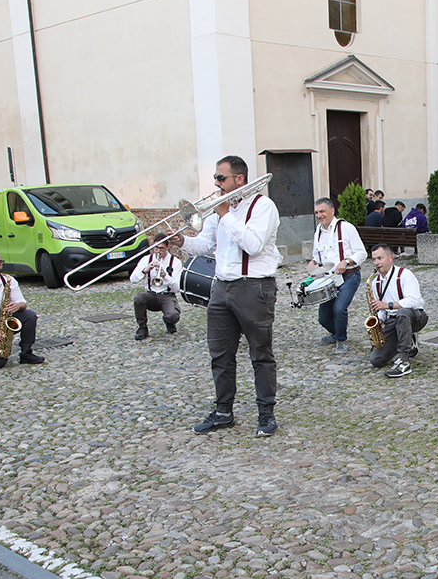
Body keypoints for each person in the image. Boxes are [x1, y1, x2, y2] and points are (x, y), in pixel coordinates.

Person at [172, 155, 281, 436]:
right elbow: (207, 245)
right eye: (215, 179)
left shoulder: (263, 207)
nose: (216, 184)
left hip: (254, 288)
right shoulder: (220, 210)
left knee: (261, 353)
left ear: (239, 179)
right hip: (221, 287)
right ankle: (223, 412)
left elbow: (253, 245)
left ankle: (266, 414)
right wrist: (181, 241)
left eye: (221, 178)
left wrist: (224, 214)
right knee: (220, 354)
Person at [307, 197, 367, 354]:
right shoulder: (318, 231)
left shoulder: (346, 228)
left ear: (332, 211)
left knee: (339, 308)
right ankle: (336, 333)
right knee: (323, 317)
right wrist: (312, 263)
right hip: (329, 279)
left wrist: (346, 261)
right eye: (316, 212)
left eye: (322, 211)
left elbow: (362, 253)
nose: (319, 215)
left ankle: (341, 339)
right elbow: (317, 256)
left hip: (349, 275)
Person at [367, 244, 428, 378]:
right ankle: (406, 340)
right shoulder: (375, 282)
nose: (376, 263)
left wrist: (388, 305)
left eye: (380, 258)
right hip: (393, 321)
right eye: (374, 259)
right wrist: (379, 321)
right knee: (376, 360)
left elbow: (415, 301)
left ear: (390, 258)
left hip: (415, 317)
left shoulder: (404, 275)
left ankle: (404, 360)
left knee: (402, 313)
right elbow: (381, 308)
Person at [128, 233, 182, 340]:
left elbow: (177, 288)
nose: (158, 251)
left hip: (167, 295)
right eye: (155, 248)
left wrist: (165, 276)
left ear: (167, 247)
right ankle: (142, 327)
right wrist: (145, 270)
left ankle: (169, 322)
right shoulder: (146, 259)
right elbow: (132, 279)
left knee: (172, 316)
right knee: (139, 298)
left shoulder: (175, 262)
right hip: (151, 295)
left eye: (161, 249)